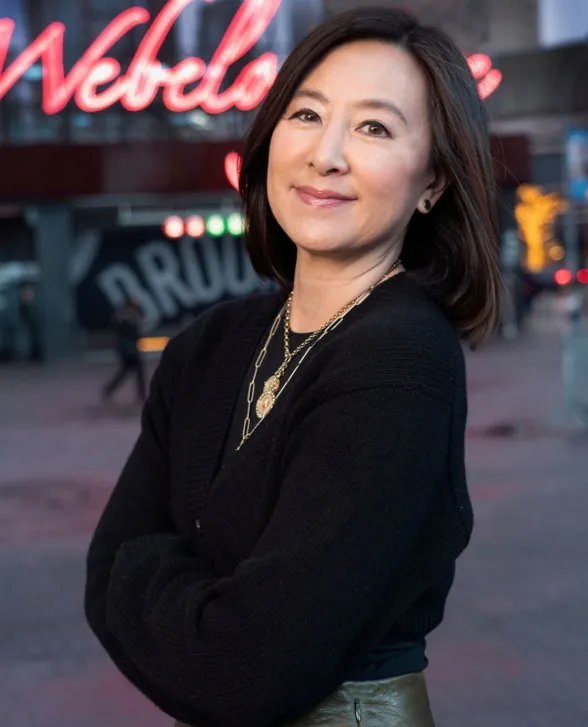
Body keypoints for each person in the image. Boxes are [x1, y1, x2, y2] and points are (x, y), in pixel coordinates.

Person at [85, 7, 502, 727]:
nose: (325, 154)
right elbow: (101, 572)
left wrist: (143, 573)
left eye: (374, 128)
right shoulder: (209, 344)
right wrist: (170, 595)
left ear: (432, 182)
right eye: (307, 115)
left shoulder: (398, 362)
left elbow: (244, 667)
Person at [101, 297, 146, 404]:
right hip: (128, 348)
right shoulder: (126, 317)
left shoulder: (123, 315)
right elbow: (132, 332)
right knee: (138, 371)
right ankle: (141, 395)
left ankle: (108, 390)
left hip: (126, 348)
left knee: (125, 371)